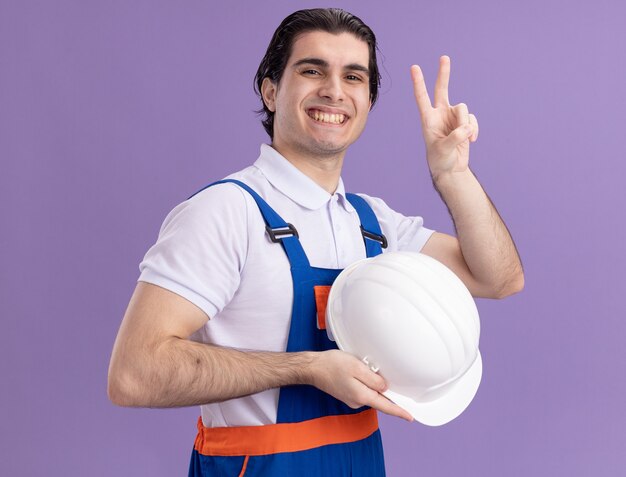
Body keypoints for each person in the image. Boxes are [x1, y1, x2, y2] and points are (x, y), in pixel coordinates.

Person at [107, 7, 524, 476]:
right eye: (312, 70)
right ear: (270, 91)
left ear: (367, 103)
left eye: (353, 76)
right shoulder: (226, 212)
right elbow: (134, 373)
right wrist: (304, 368)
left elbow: (500, 278)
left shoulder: (372, 223)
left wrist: (453, 174)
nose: (334, 90)